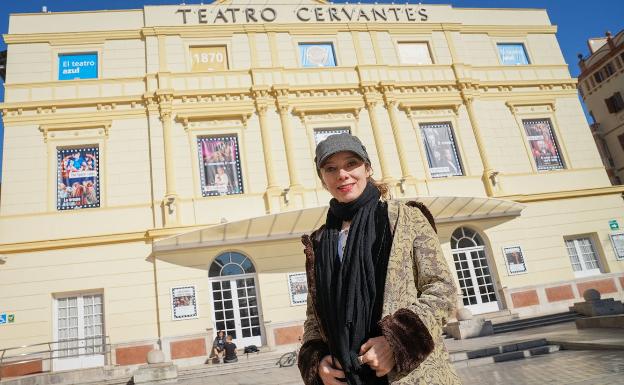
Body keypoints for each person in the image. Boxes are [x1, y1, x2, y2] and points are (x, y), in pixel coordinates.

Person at [298, 133, 461, 385]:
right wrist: (317, 363)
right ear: (323, 179)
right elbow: (313, 317)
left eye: (351, 163)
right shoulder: (319, 242)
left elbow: (442, 290)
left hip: (410, 376)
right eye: (331, 168)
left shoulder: (406, 219)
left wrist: (396, 343)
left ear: (368, 168)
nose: (342, 174)